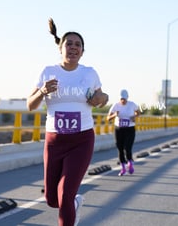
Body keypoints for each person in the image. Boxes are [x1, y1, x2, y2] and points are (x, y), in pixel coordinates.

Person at [27, 18, 109, 226]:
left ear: (82, 51)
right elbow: (30, 105)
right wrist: (43, 91)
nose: (73, 47)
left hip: (81, 140)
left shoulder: (89, 73)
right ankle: (75, 203)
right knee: (52, 199)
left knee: (65, 196)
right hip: (54, 141)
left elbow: (103, 98)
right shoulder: (48, 72)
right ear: (60, 48)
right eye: (69, 44)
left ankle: (70, 207)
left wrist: (100, 99)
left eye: (78, 45)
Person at [106, 89, 140, 176]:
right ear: (119, 99)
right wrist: (114, 115)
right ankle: (123, 168)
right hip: (119, 129)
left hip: (130, 129)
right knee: (120, 148)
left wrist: (134, 116)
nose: (123, 101)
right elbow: (108, 118)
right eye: (121, 99)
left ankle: (130, 163)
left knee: (127, 148)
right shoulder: (116, 105)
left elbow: (138, 112)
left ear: (127, 98)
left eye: (124, 99)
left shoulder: (132, 104)